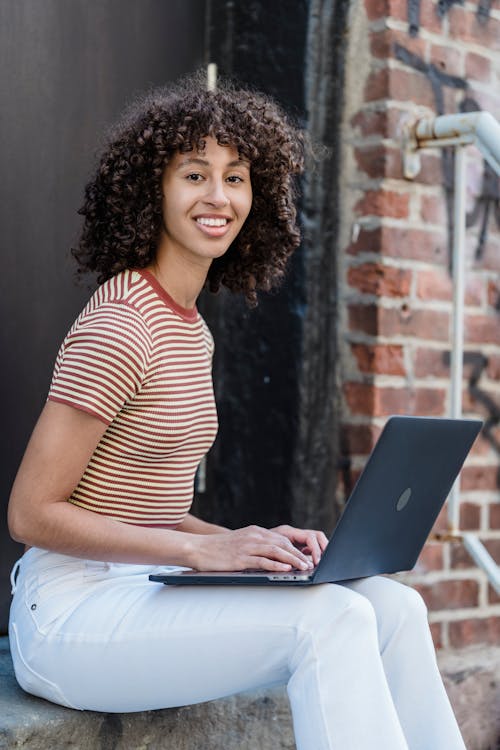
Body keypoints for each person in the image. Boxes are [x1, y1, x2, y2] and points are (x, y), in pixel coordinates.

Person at [8, 71, 465, 750]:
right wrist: (203, 550)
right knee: (330, 619)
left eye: (237, 176)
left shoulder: (190, 327)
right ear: (152, 190)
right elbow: (32, 513)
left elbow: (141, 509)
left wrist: (253, 545)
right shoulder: (120, 324)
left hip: (147, 585)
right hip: (72, 614)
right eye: (195, 175)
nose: (219, 196)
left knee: (395, 606)